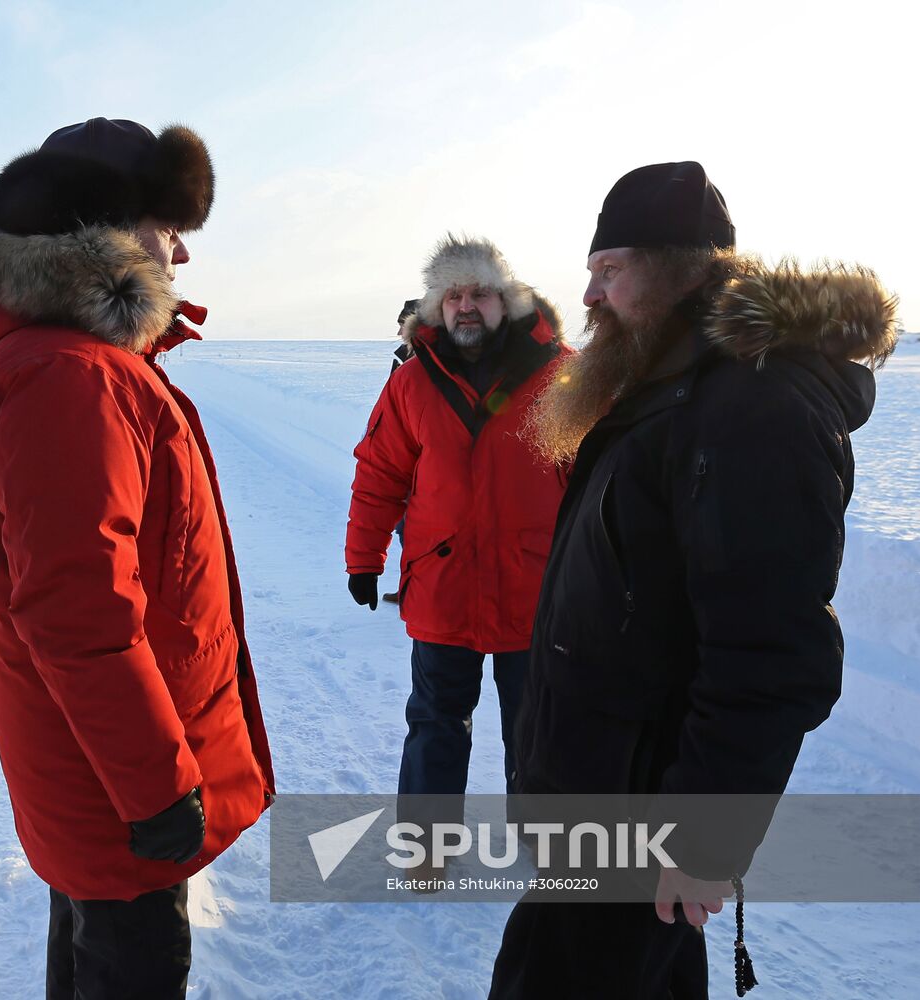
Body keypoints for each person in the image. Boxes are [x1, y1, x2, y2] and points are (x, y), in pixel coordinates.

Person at [493, 161, 897, 998]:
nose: (591, 296)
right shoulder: (665, 386)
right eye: (590, 272)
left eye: (610, 270)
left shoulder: (750, 408)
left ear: (686, 268)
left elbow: (770, 655)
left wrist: (706, 837)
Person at [0, 118, 275, 1000]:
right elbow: (76, 610)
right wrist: (155, 787)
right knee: (128, 965)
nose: (181, 253)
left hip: (98, 767)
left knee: (93, 945)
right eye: (170, 227)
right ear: (112, 225)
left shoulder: (76, 362)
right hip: (116, 781)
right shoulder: (72, 377)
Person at [344, 236, 570, 826]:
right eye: (453, 295)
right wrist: (363, 561)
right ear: (436, 306)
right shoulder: (412, 382)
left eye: (480, 293)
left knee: (540, 721)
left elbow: (599, 482)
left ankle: (545, 837)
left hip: (538, 586)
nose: (465, 306)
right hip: (443, 582)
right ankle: (425, 843)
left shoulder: (562, 376)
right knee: (435, 720)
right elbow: (379, 474)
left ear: (508, 300)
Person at [382, 298, 420, 605]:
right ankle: (411, 584)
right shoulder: (403, 357)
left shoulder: (421, 361)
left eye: (401, 324)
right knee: (405, 525)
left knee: (412, 526)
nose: (398, 331)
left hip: (418, 458)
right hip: (403, 455)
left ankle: (415, 588)